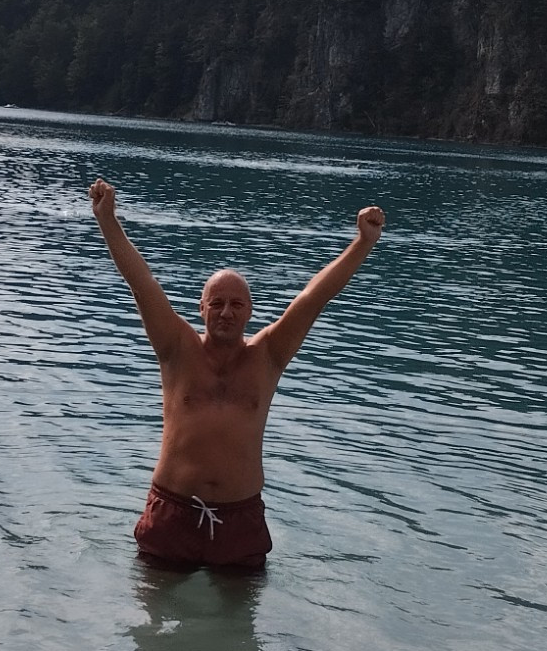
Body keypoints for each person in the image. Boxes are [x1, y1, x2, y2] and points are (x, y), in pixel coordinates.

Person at [89, 178, 385, 572]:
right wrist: (107, 220)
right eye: (217, 303)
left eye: (236, 304)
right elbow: (142, 283)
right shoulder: (176, 349)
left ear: (249, 312)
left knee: (240, 630)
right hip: (172, 512)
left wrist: (363, 242)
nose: (226, 312)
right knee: (153, 627)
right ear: (202, 309)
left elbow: (314, 297)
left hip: (239, 520)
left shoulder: (268, 356)